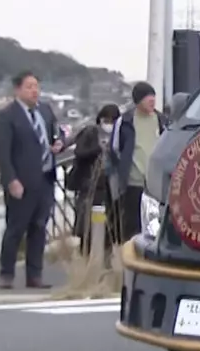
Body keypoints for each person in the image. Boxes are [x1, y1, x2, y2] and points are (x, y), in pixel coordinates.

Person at [0, 70, 63, 290]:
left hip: (45, 178)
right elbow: (3, 153)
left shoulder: (45, 110)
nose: (34, 91)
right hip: (21, 182)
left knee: (39, 228)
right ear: (18, 90)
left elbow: (58, 132)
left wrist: (59, 143)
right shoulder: (7, 116)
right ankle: (6, 274)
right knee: (16, 228)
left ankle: (35, 275)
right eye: (29, 87)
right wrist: (11, 180)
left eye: (36, 86)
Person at [110, 82, 167, 242]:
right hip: (133, 183)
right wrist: (124, 170)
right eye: (147, 97)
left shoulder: (162, 120)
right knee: (132, 228)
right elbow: (114, 149)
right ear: (138, 100)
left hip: (157, 185)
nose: (152, 100)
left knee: (155, 228)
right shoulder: (125, 121)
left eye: (153, 96)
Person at [68, 103, 120, 255]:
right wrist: (98, 149)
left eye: (112, 121)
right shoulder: (91, 132)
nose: (109, 124)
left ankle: (106, 256)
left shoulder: (119, 134)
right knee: (87, 223)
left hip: (109, 185)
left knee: (108, 222)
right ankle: (86, 254)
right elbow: (80, 152)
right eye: (106, 120)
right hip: (89, 184)